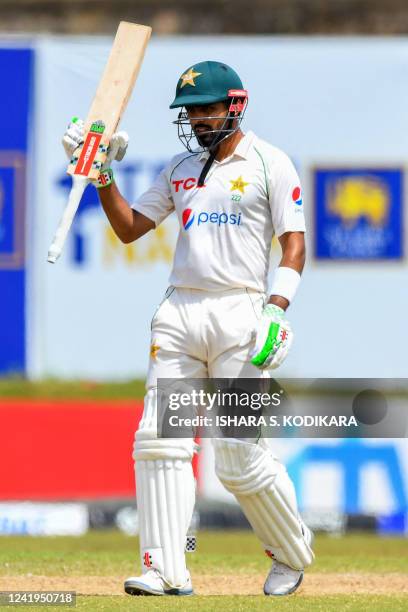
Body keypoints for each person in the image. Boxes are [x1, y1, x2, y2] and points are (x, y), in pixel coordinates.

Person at [62, 60, 314, 597]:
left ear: (234, 106)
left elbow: (293, 242)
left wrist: (277, 308)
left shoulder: (271, 162)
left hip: (242, 316)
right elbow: (130, 230)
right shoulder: (179, 167)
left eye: (206, 108)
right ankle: (165, 569)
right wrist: (101, 175)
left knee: (238, 455)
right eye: (190, 111)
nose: (197, 119)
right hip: (179, 315)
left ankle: (291, 553)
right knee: (160, 440)